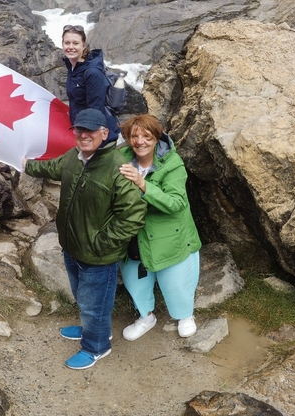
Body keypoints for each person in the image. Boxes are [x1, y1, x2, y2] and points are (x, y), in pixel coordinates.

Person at [23, 109, 146, 370]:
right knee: (84, 297)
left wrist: (102, 243)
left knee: (94, 303)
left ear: (104, 133)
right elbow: (50, 167)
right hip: (72, 246)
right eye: (79, 130)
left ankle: (97, 346)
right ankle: (94, 330)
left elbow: (134, 214)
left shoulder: (117, 168)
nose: (83, 135)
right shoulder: (73, 157)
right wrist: (25, 164)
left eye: (90, 130)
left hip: (98, 254)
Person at [116, 114, 202, 341]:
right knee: (136, 280)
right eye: (134, 136)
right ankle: (146, 317)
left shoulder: (172, 163)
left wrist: (142, 184)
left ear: (157, 138)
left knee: (176, 282)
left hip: (170, 236)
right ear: (127, 139)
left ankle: (185, 316)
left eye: (147, 136)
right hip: (135, 237)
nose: (140, 141)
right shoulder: (120, 159)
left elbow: (176, 203)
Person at [61, 24, 120, 142]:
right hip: (81, 128)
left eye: (75, 43)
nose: (71, 47)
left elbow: (95, 111)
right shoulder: (72, 67)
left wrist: (85, 139)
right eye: (67, 43)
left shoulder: (92, 73)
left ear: (83, 46)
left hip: (98, 135)